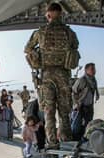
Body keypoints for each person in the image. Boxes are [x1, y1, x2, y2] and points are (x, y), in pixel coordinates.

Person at [24, 3, 80, 149]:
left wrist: (38, 54)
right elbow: (75, 47)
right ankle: (67, 141)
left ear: (48, 15)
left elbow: (27, 49)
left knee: (49, 112)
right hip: (64, 75)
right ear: (61, 14)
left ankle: (52, 143)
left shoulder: (40, 32)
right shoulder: (70, 33)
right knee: (64, 112)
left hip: (47, 75)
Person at [72, 63, 100, 141]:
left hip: (89, 106)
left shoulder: (93, 79)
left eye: (94, 69)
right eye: (92, 69)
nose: (94, 71)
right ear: (86, 70)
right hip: (81, 106)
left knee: (88, 125)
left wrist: (97, 94)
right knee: (76, 125)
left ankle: (84, 140)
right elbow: (73, 92)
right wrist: (76, 104)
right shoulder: (81, 80)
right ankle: (74, 141)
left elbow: (95, 88)